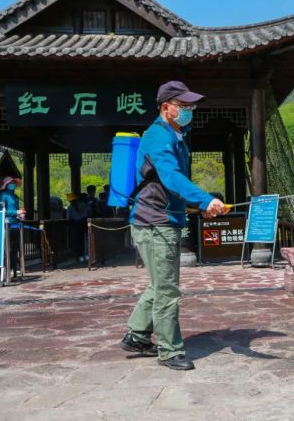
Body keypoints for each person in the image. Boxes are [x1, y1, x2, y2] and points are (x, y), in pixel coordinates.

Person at [119, 81, 225, 371]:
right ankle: (169, 350)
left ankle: (137, 336)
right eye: (184, 105)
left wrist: (198, 205)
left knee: (159, 285)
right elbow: (171, 178)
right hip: (156, 223)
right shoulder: (158, 136)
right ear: (166, 107)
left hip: (161, 219)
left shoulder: (176, 135)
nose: (190, 110)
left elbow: (171, 187)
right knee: (167, 290)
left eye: (191, 105)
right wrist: (204, 200)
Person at [0, 176, 25, 277]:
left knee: (16, 248)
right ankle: (7, 268)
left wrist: (20, 214)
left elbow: (16, 210)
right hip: (7, 225)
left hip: (16, 224)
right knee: (8, 249)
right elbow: (2, 211)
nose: (13, 185)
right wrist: (16, 212)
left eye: (14, 183)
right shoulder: (3, 195)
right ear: (6, 185)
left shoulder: (15, 196)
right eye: (11, 183)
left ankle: (14, 268)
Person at [66, 192, 89, 262]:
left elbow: (68, 218)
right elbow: (88, 213)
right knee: (87, 239)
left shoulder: (70, 208)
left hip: (76, 225)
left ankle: (80, 256)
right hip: (85, 222)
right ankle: (88, 255)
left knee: (78, 240)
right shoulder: (83, 204)